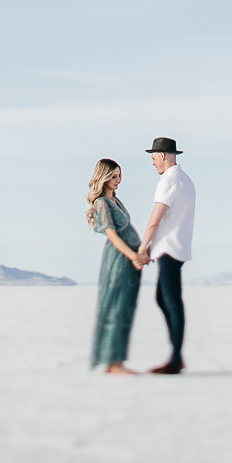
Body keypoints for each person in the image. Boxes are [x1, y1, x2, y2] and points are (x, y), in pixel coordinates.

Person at [137, 137, 195, 374]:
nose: (152, 163)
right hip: (174, 246)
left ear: (162, 155)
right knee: (164, 299)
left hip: (170, 248)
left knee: (170, 300)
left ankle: (175, 359)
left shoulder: (168, 181)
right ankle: (175, 355)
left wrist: (142, 248)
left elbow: (155, 219)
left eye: (153, 158)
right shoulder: (185, 180)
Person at [86, 158, 142, 374]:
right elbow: (112, 234)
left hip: (129, 261)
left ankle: (117, 359)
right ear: (103, 177)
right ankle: (112, 362)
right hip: (118, 260)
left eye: (119, 176)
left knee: (126, 307)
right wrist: (132, 255)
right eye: (113, 176)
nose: (117, 180)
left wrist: (140, 253)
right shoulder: (102, 202)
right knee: (115, 307)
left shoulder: (115, 200)